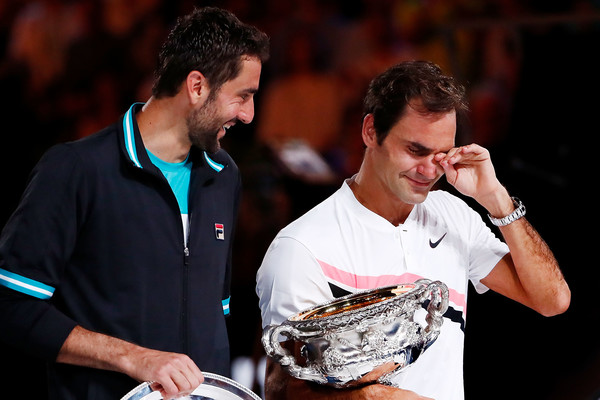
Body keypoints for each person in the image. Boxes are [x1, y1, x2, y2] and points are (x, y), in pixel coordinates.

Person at [255, 60, 570, 400]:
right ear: (371, 131)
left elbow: (552, 300)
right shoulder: (301, 246)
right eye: (415, 150)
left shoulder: (454, 215)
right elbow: (283, 391)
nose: (428, 169)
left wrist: (496, 198)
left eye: (442, 154)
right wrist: (375, 397)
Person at [0, 7, 269, 400]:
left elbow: (217, 313)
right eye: (242, 96)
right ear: (197, 87)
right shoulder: (75, 169)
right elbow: (12, 306)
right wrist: (134, 358)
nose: (248, 115)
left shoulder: (225, 175)